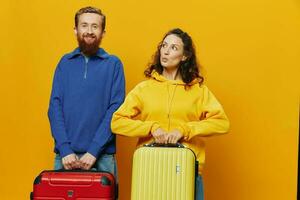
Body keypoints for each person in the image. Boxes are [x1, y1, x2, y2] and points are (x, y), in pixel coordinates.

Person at [111, 28, 229, 200]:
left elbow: (222, 123)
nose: (166, 51)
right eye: (164, 46)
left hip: (186, 170)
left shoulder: (198, 91)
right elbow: (116, 122)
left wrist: (184, 130)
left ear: (184, 56)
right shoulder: (144, 89)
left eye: (174, 48)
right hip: (150, 169)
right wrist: (151, 128)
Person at [48, 6, 125, 180]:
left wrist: (94, 151)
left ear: (103, 32)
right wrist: (65, 149)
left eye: (95, 26)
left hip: (102, 157)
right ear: (75, 29)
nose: (89, 31)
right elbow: (54, 107)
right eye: (84, 25)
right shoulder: (64, 63)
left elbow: (115, 110)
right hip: (65, 156)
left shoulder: (113, 64)